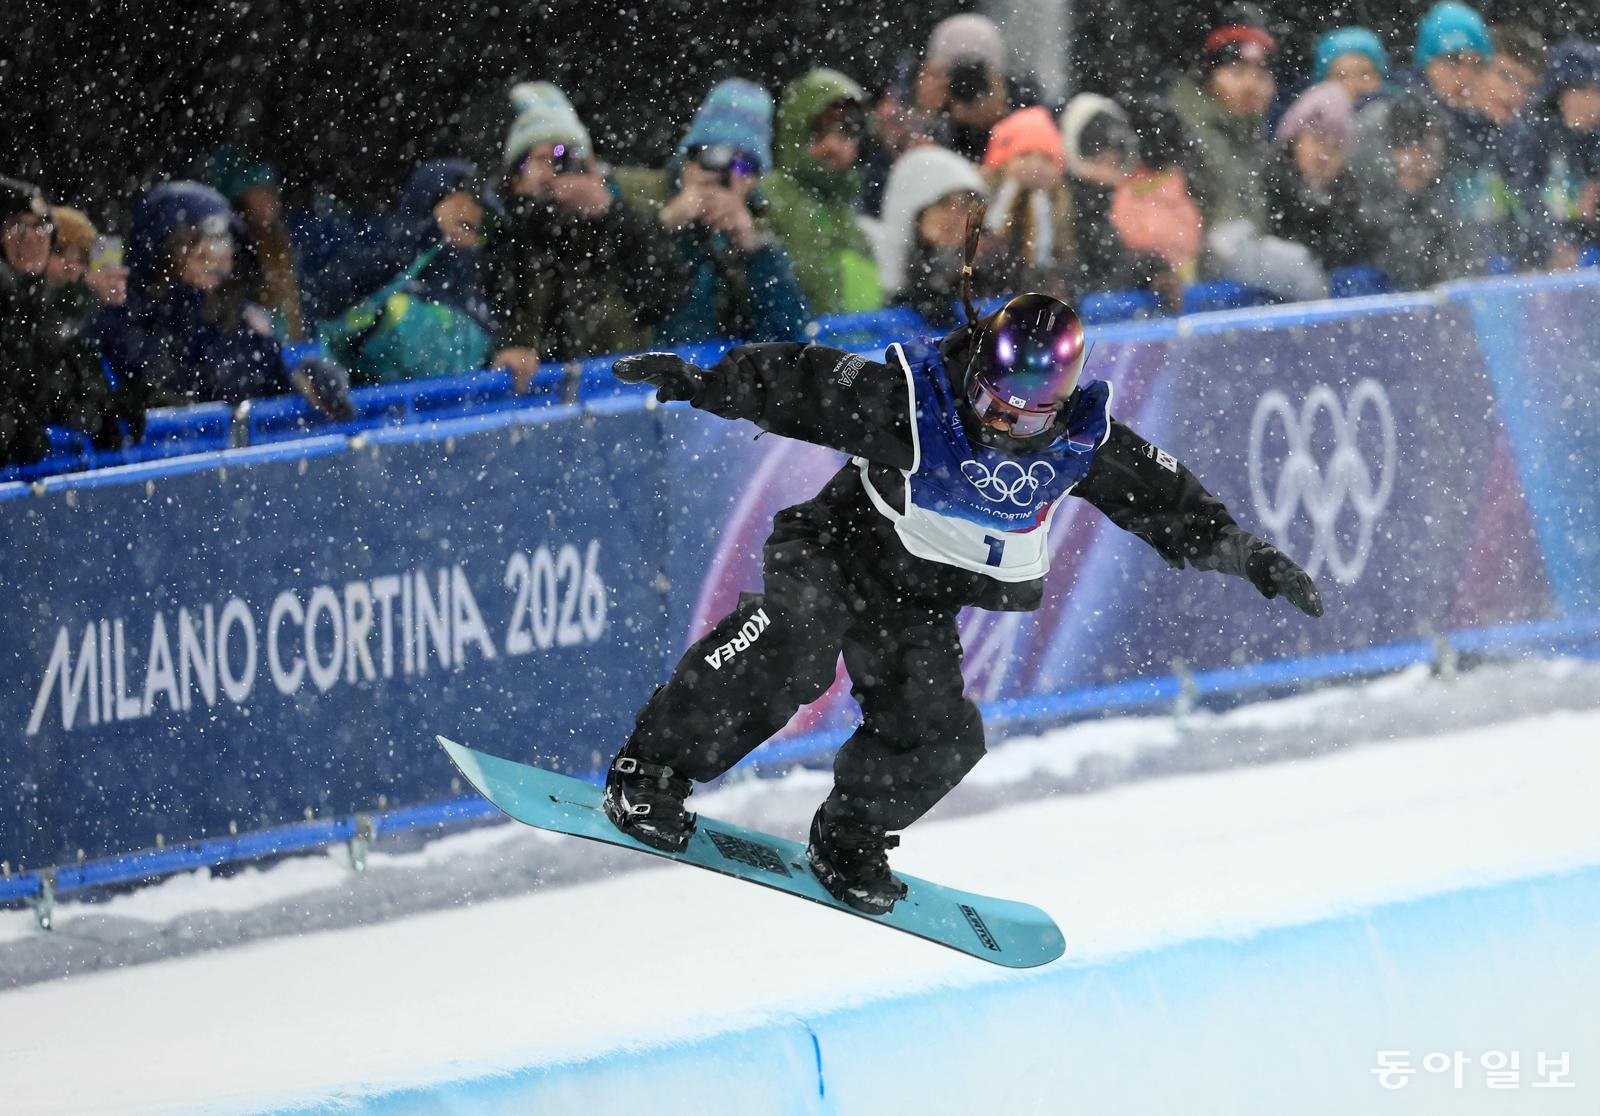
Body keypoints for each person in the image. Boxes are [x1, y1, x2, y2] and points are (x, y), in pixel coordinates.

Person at [600, 291, 1323, 913]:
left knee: (941, 733)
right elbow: (804, 382)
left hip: (916, 600)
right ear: (976, 373)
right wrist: (706, 382)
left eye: (1026, 418)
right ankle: (651, 768)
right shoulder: (915, 401)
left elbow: (1166, 500)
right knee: (796, 644)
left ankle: (848, 838)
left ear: (1061, 401)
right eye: (990, 405)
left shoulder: (1084, 442)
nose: (1002, 426)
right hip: (836, 549)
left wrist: (1246, 553)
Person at [486, 82, 685, 390]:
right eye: (544, 158)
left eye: (567, 156)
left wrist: (609, 214)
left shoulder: (617, 220)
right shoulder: (499, 231)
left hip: (613, 391)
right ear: (514, 176)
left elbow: (664, 297)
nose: (558, 170)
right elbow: (495, 305)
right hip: (534, 399)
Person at [99, 181, 346, 411]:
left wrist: (302, 376)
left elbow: (270, 378)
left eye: (224, 243)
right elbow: (167, 399)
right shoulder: (127, 323)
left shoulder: (235, 318)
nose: (219, 256)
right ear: (164, 254)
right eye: (200, 250)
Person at [620, 79, 810, 345]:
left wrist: (756, 249)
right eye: (714, 157)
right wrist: (667, 225)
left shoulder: (765, 217)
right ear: (690, 159)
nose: (730, 176)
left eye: (745, 166)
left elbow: (790, 335)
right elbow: (623, 315)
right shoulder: (643, 198)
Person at [308, 159, 500, 385]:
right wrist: (431, 231)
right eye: (461, 222)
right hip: (374, 413)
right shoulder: (375, 270)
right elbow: (327, 306)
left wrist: (510, 353)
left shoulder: (480, 295)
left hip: (465, 413)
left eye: (480, 229)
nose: (469, 239)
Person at [1, 177, 143, 465]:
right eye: (17, 225)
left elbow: (42, 381)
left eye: (40, 226)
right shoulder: (13, 296)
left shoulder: (33, 307)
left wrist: (94, 409)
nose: (30, 237)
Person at [761, 68, 885, 316]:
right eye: (819, 129)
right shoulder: (769, 197)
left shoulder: (848, 215)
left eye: (847, 128)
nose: (833, 144)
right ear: (795, 132)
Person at [875, 145, 1000, 327]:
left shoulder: (982, 268)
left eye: (964, 205)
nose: (954, 217)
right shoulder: (874, 263)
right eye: (942, 204)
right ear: (912, 209)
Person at [1265, 83, 1374, 276]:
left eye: (1335, 146)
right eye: (1317, 140)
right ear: (1293, 142)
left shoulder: (1352, 202)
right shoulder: (1267, 190)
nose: (1324, 154)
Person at [980, 106, 1077, 303]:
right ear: (1002, 162)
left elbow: (1068, 264)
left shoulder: (1063, 204)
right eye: (1024, 155)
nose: (1036, 166)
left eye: (1046, 158)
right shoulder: (976, 197)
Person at [913, 14, 1016, 163]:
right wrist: (925, 115)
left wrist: (1002, 118)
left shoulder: (1020, 97)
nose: (966, 83)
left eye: (976, 74)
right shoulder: (914, 99)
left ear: (998, 77)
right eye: (956, 73)